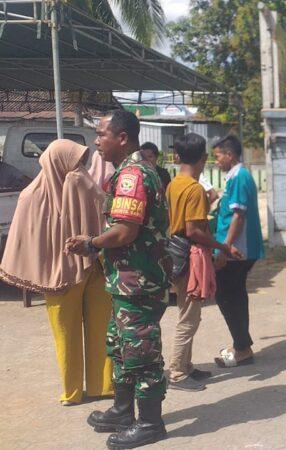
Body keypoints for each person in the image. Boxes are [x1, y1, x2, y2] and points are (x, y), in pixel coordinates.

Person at [66, 110, 172, 448]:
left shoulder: (132, 175)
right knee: (121, 346)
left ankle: (151, 424)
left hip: (138, 282)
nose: (97, 141)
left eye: (102, 134)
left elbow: (125, 231)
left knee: (141, 352)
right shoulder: (133, 171)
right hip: (127, 281)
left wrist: (91, 243)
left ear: (122, 138)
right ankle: (123, 412)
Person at [0, 139, 112, 406]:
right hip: (58, 278)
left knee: (102, 330)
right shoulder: (31, 197)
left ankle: (102, 386)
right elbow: (25, 240)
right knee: (66, 335)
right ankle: (72, 391)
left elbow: (105, 217)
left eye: (81, 163)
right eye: (74, 164)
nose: (79, 170)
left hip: (94, 269)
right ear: (57, 163)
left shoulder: (85, 187)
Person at [166, 133, 242, 391]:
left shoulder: (174, 184)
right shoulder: (195, 189)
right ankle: (177, 373)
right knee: (188, 317)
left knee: (189, 313)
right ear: (204, 157)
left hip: (176, 253)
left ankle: (186, 366)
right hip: (190, 256)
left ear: (177, 156)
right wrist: (223, 246)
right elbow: (194, 231)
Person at [211, 135, 264, 368]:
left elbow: (238, 216)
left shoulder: (240, 176)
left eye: (218, 157)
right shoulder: (236, 176)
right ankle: (242, 346)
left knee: (227, 296)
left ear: (229, 155)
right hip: (234, 248)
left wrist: (225, 248)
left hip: (237, 249)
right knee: (233, 295)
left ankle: (242, 349)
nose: (216, 162)